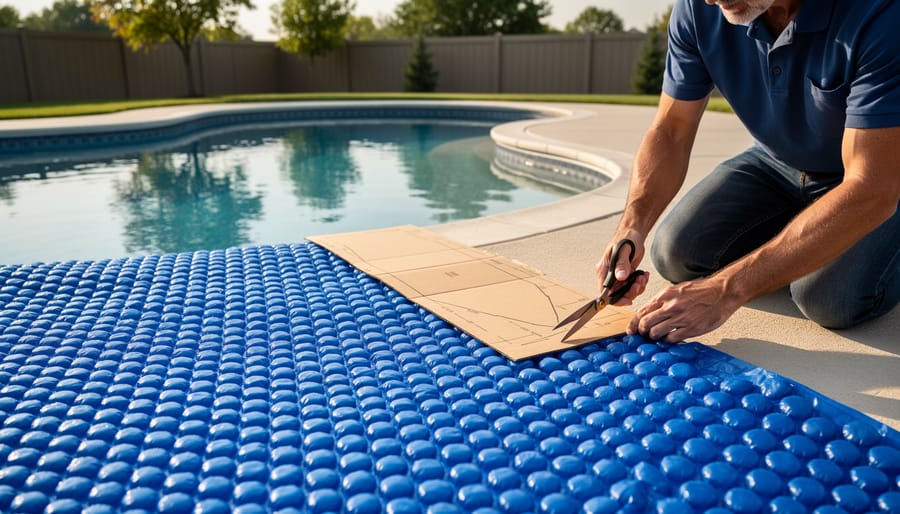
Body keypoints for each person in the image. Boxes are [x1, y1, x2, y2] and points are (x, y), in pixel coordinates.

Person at [597, 0, 900, 343]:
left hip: (880, 174)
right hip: (777, 163)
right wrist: (632, 226)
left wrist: (727, 289)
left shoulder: (881, 13)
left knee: (828, 299)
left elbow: (871, 185)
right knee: (675, 253)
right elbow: (671, 130)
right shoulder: (698, 9)